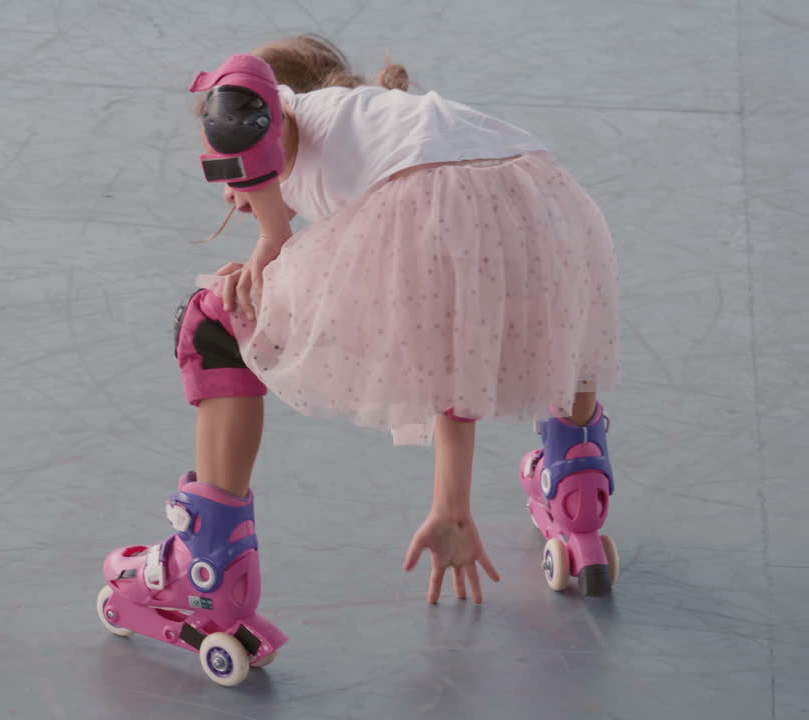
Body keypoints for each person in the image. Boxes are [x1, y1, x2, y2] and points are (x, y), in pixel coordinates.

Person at [95, 35, 621, 686]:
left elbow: (239, 97)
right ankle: (576, 499)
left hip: (451, 204)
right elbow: (463, 343)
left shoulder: (297, 116)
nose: (228, 193)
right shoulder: (383, 139)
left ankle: (208, 573)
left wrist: (270, 230)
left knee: (212, 322)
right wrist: (451, 504)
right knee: (561, 324)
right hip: (546, 201)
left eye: (229, 179)